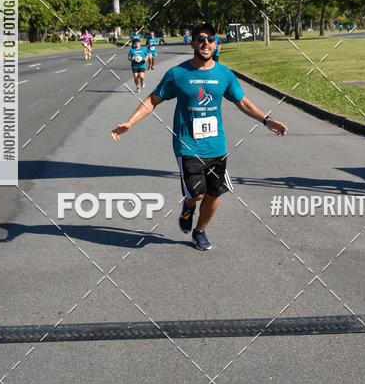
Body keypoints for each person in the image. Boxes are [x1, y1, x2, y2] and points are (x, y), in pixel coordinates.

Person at [111, 21, 288, 251]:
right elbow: (153, 100)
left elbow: (242, 102)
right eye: (201, 39)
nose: (206, 43)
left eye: (210, 39)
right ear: (193, 42)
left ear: (216, 44)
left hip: (217, 146)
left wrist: (267, 120)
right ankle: (188, 206)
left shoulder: (224, 74)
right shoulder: (178, 74)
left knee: (214, 194)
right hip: (188, 146)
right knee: (197, 193)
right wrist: (130, 122)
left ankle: (199, 231)